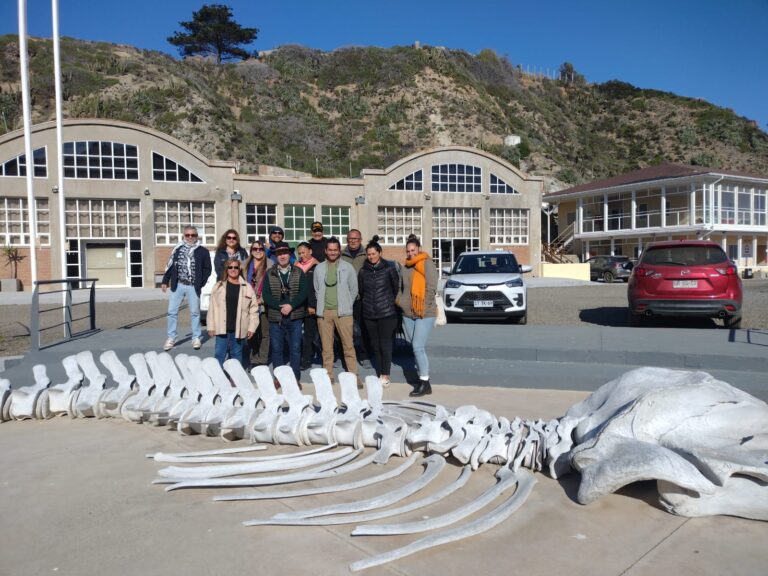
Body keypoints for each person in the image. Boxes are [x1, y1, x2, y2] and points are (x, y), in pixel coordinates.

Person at [314, 237, 359, 383]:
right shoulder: (319, 268)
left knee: (348, 346)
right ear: (326, 251)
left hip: (343, 313)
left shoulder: (347, 267)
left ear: (339, 251)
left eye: (335, 250)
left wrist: (346, 304)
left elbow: (354, 289)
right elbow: (317, 289)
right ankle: (328, 375)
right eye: (330, 250)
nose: (332, 252)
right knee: (326, 348)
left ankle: (354, 375)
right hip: (324, 313)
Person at [398, 234, 438, 397]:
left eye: (413, 250)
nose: (411, 253)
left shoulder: (427, 263)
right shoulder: (405, 266)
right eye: (408, 251)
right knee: (414, 347)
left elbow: (431, 286)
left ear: (419, 249)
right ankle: (422, 377)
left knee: (417, 346)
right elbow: (401, 287)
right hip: (407, 312)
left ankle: (424, 382)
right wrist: (399, 301)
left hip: (424, 312)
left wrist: (424, 306)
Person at [261, 241, 308, 380]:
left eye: (285, 253)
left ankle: (295, 378)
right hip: (276, 316)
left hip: (295, 316)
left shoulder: (298, 271)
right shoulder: (270, 273)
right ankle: (279, 378)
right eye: (279, 254)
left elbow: (303, 292)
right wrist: (279, 306)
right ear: (276, 256)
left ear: (289, 255)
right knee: (276, 349)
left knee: (295, 348)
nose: (282, 256)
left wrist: (291, 305)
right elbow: (266, 294)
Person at [161, 225, 212, 351]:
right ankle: (171, 337)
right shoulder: (177, 249)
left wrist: (200, 283)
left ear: (197, 236)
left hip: (192, 286)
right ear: (184, 236)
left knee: (195, 313)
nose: (190, 237)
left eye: (193, 235)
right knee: (172, 312)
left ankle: (196, 337)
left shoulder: (203, 251)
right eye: (188, 235)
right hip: (177, 285)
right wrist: (165, 281)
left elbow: (207, 269)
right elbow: (171, 265)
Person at [358, 236, 399, 387]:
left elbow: (396, 289)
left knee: (385, 344)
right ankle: (379, 372)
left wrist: (390, 304)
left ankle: (385, 375)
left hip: (387, 313)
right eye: (368, 254)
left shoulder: (389, 268)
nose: (371, 257)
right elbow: (361, 291)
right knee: (375, 345)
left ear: (379, 253)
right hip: (369, 313)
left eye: (374, 253)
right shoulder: (363, 271)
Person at [207, 258, 259, 368]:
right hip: (222, 328)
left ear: (239, 269)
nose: (233, 269)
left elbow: (254, 310)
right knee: (219, 354)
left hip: (239, 328)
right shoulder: (218, 286)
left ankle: (235, 380)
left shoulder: (247, 287)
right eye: (230, 267)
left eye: (236, 267)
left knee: (236, 354)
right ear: (226, 269)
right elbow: (212, 308)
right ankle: (218, 379)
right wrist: (211, 326)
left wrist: (252, 327)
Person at [341, 228, 369, 363]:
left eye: (356, 239)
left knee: (362, 327)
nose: (353, 241)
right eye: (350, 239)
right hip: (343, 298)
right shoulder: (341, 256)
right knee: (343, 328)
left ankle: (363, 355)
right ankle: (343, 355)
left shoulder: (366, 256)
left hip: (361, 298)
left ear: (360, 240)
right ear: (347, 240)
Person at [244, 239, 272, 366]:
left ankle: (263, 359)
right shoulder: (244, 265)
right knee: (252, 332)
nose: (258, 251)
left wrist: (262, 299)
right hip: (248, 304)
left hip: (264, 304)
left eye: (261, 249)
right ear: (251, 251)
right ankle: (254, 359)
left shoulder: (270, 265)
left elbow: (273, 286)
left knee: (265, 333)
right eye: (255, 249)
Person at [295, 241, 320, 370]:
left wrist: (312, 305)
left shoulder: (317, 266)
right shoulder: (296, 266)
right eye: (299, 253)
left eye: (303, 252)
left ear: (310, 252)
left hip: (310, 306)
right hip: (297, 306)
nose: (301, 255)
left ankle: (307, 359)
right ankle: (297, 356)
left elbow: (315, 288)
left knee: (309, 334)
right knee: (297, 333)